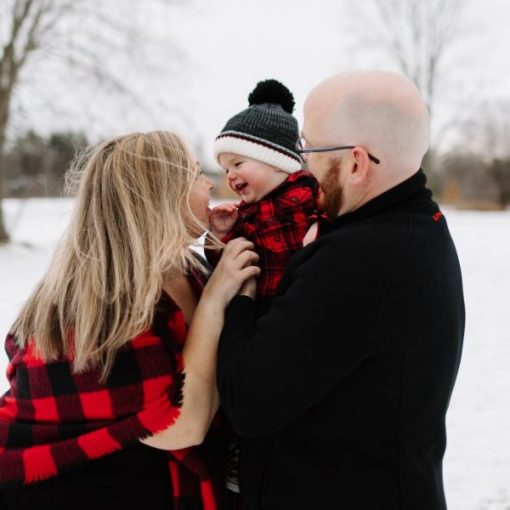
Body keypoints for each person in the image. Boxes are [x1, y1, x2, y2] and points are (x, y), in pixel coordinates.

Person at [206, 71, 466, 510]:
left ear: (356, 163)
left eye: (309, 148)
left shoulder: (360, 260)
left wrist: (241, 291)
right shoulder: (415, 225)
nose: (301, 163)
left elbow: (248, 401)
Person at [0, 131, 259, 510]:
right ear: (161, 194)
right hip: (65, 491)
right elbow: (183, 424)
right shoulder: (96, 302)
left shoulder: (184, 268)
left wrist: (219, 265)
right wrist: (215, 299)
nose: (208, 182)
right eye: (192, 172)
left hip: (139, 483)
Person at [208, 79, 322, 315]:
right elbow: (227, 268)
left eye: (237, 163)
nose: (230, 176)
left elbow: (344, 217)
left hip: (310, 303)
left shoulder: (311, 191)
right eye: (225, 169)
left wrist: (322, 224)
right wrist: (219, 238)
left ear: (277, 162)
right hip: (262, 314)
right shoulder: (244, 215)